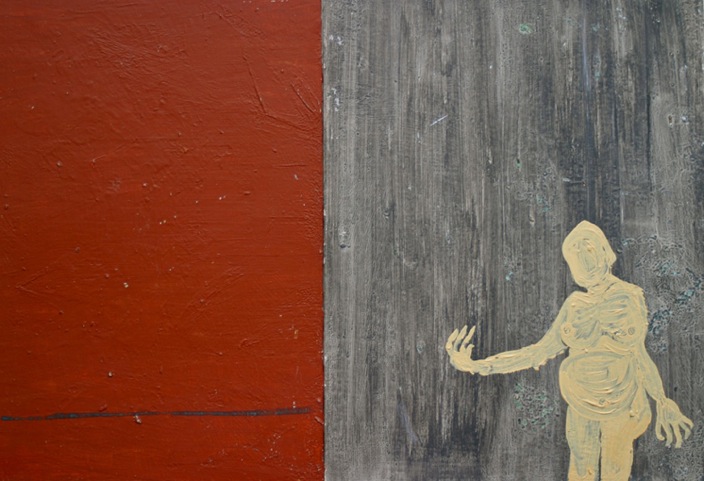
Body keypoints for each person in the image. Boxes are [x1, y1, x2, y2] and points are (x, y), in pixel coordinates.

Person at [446, 220, 693, 481]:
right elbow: (537, 352)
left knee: (615, 470)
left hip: (623, 403)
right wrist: (478, 366)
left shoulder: (630, 296)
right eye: (576, 255)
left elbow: (639, 355)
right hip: (580, 403)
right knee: (581, 471)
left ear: (605, 251)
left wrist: (662, 400)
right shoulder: (574, 305)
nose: (584, 260)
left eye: (589, 249)